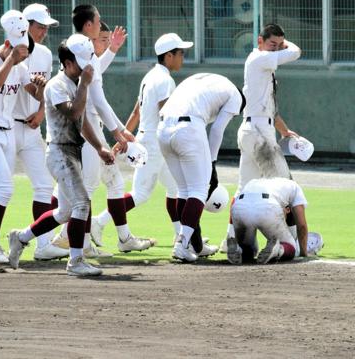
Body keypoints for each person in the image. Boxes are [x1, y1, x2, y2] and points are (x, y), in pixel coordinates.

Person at [8, 34, 115, 276]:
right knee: (82, 204)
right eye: (81, 62)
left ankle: (21, 237)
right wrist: (86, 85)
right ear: (67, 63)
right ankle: (75, 261)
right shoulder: (57, 86)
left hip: (71, 152)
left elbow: (84, 122)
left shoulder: (75, 84)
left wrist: (99, 147)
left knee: (64, 212)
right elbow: (74, 114)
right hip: (59, 152)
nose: (86, 67)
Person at [52, 7, 145, 257]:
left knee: (111, 183)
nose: (100, 24)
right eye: (97, 22)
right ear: (88, 26)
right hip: (83, 133)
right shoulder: (81, 59)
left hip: (92, 131)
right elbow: (98, 101)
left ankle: (120, 238)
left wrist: (120, 130)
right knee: (83, 192)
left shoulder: (86, 57)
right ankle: (68, 241)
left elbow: (98, 86)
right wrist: (120, 132)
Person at [92, 33, 190, 246]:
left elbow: (137, 111)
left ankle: (182, 236)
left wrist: (124, 135)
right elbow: (166, 114)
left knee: (175, 188)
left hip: (151, 142)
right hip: (154, 145)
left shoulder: (150, 77)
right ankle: (98, 222)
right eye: (181, 53)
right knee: (141, 194)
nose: (183, 57)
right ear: (169, 56)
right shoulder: (165, 80)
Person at [0, 10, 46, 265]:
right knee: (5, 187)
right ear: (6, 46)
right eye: (18, 52)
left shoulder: (20, 67)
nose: (22, 58)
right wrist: (11, 61)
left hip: (7, 134)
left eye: (24, 54)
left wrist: (40, 85)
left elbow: (36, 96)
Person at [226, 24, 302, 246]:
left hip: (254, 129)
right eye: (272, 44)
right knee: (286, 186)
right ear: (260, 41)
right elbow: (296, 52)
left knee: (243, 189)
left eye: (279, 45)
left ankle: (231, 238)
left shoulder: (263, 65)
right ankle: (292, 243)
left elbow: (267, 108)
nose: (276, 49)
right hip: (258, 132)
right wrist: (285, 45)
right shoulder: (260, 58)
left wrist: (284, 131)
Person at [157, 73, 245, 262]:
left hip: (162, 128)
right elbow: (217, 130)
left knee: (183, 190)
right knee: (198, 189)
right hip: (187, 127)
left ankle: (192, 244)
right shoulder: (235, 96)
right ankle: (181, 244)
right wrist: (212, 164)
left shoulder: (209, 81)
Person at [4, 3, 66, 261]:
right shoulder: (8, 51)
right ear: (24, 25)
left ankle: (42, 245)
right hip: (7, 126)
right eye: (39, 26)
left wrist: (41, 112)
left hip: (32, 129)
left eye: (45, 28)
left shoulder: (44, 54)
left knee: (43, 185)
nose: (43, 32)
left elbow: (47, 91)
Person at [227, 177, 308, 264]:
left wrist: (235, 229)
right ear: (287, 208)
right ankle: (278, 249)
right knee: (291, 247)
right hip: (268, 206)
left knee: (248, 250)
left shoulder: (254, 181)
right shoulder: (295, 187)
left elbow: (235, 203)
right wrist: (304, 253)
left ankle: (238, 249)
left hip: (239, 207)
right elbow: (302, 226)